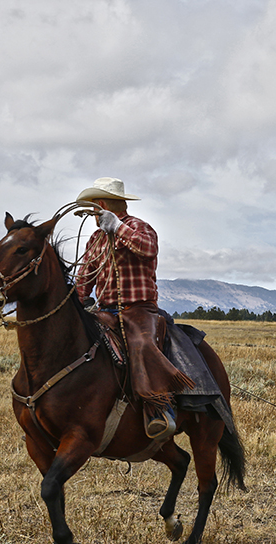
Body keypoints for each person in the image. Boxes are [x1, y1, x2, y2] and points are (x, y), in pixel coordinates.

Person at [74, 178, 193, 438]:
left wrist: (117, 227)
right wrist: (78, 300)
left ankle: (159, 408)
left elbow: (148, 249)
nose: (93, 216)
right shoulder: (95, 239)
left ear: (102, 205)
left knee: (142, 344)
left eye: (93, 209)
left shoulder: (140, 227)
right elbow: (85, 275)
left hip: (139, 310)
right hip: (105, 310)